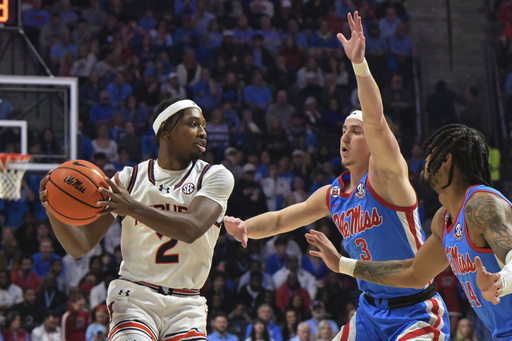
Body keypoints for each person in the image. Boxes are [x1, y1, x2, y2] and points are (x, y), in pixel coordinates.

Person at [224, 12, 450, 340]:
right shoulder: (333, 194)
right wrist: (246, 228)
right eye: (344, 130)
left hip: (415, 310)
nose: (345, 137)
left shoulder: (387, 176)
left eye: (355, 132)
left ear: (372, 142)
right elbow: (279, 220)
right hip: (370, 312)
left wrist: (359, 65)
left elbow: (375, 119)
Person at [39, 98, 234, 340]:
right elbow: (80, 245)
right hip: (135, 298)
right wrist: (53, 206)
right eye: (193, 124)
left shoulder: (215, 176)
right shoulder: (129, 180)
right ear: (166, 130)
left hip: (187, 303)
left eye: (203, 125)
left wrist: (132, 207)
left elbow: (192, 228)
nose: (203, 132)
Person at [305, 123, 512, 340]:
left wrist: (501, 282)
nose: (425, 160)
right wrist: (341, 264)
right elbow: (414, 273)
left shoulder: (481, 205)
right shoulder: (444, 220)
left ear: (446, 159)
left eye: (431, 154)